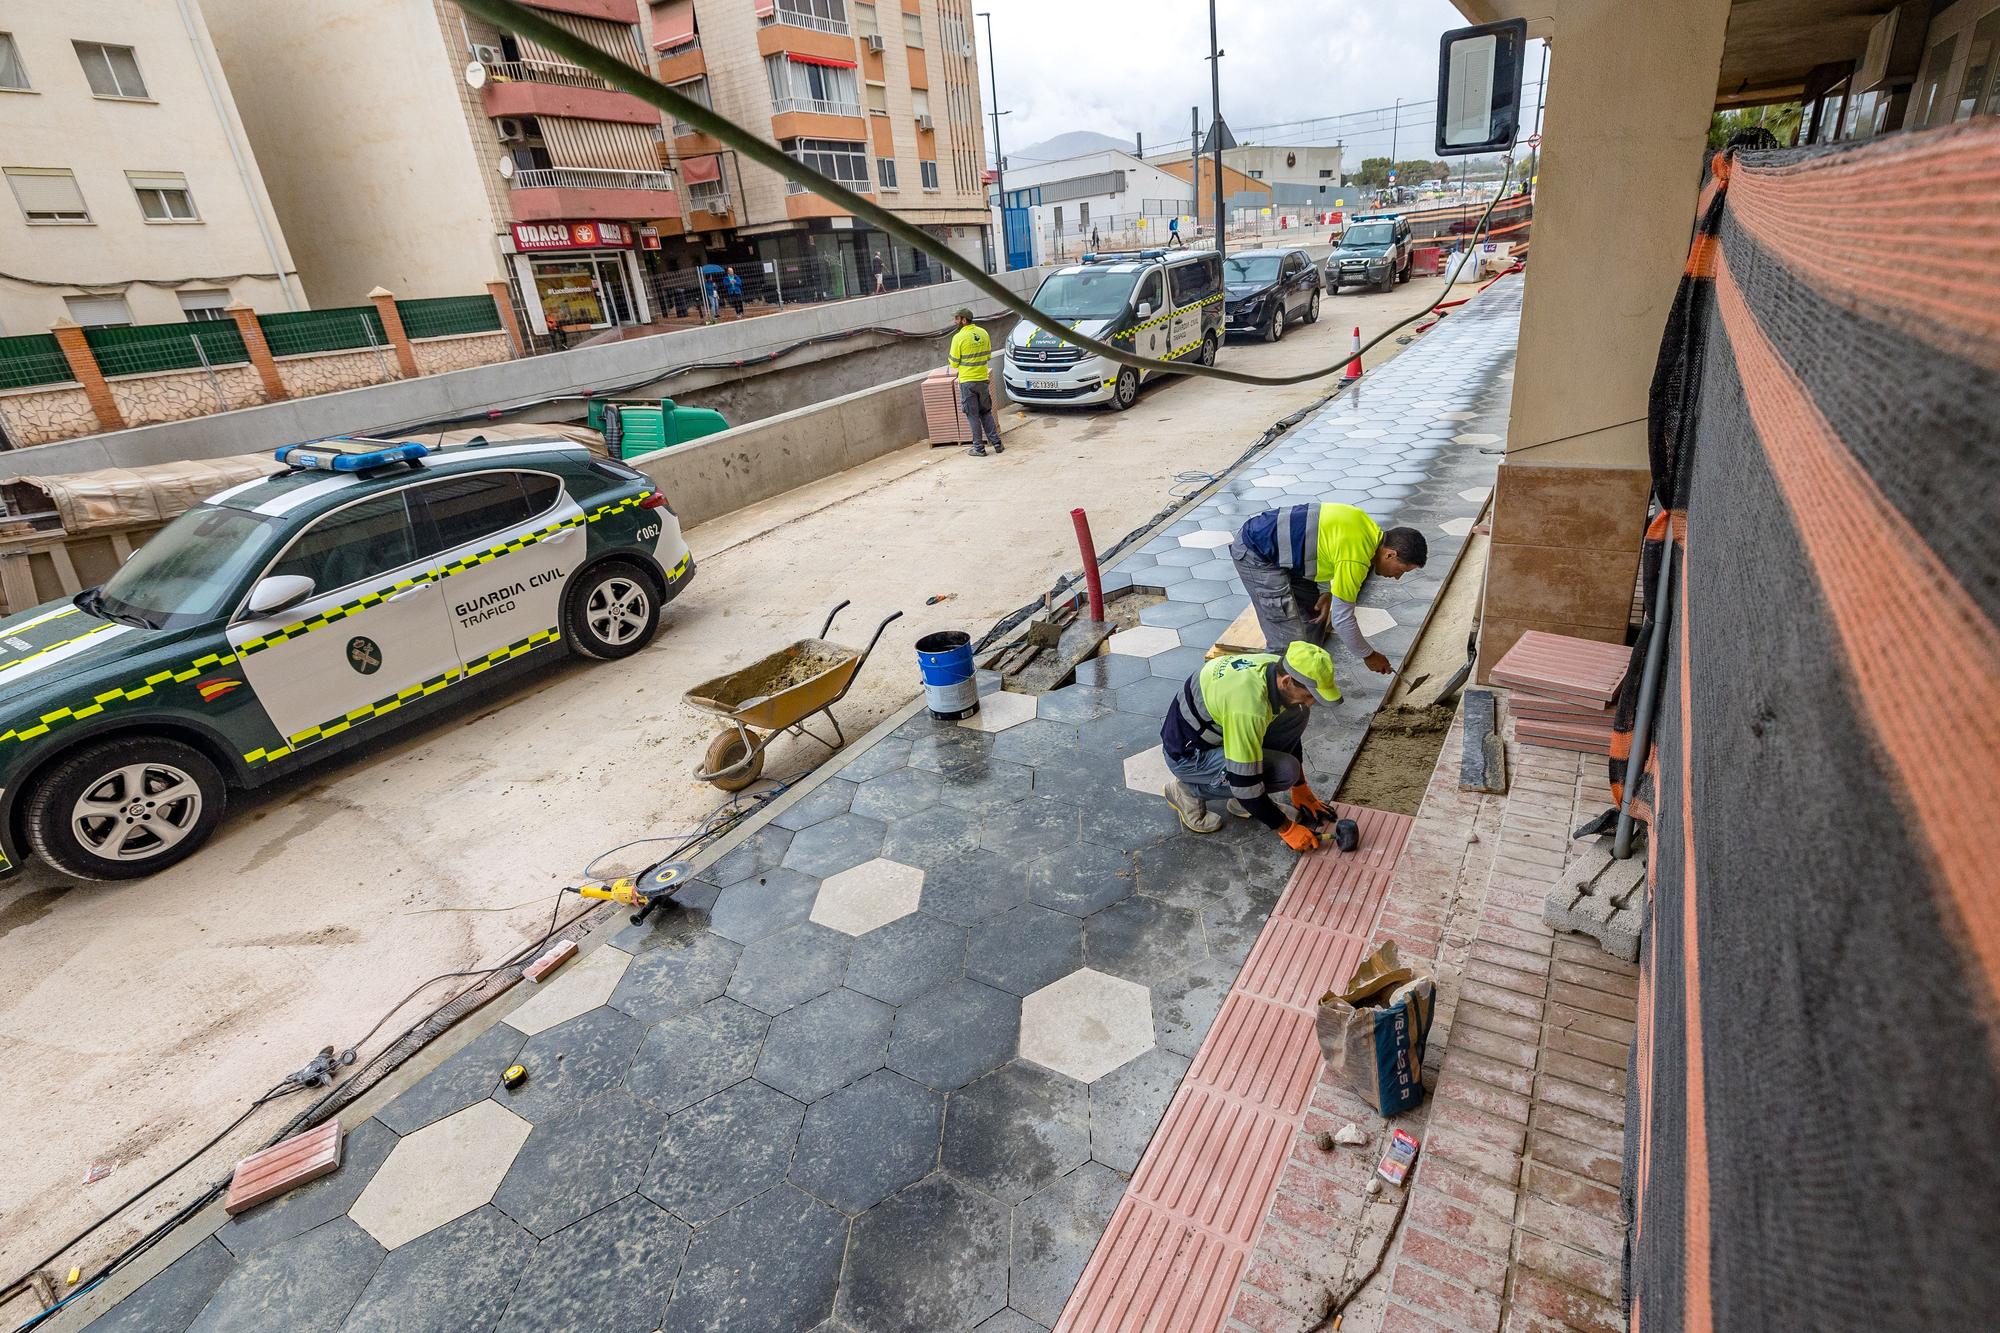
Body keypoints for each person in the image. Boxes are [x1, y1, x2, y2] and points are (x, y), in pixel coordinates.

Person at [1160, 642, 1342, 847]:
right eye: (1310, 695)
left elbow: (1289, 732)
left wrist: (1301, 788)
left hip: (1217, 732)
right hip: (1189, 756)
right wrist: (1286, 829)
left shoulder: (1275, 668)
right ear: (1287, 681)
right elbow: (1245, 785)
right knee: (1284, 772)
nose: (1311, 702)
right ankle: (1186, 790)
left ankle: (1243, 804)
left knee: (1297, 713)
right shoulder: (1248, 707)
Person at [1230, 502, 1427, 673]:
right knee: (1289, 642)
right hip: (1256, 552)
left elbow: (1321, 545)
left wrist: (1325, 590)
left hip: (1283, 553)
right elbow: (1342, 620)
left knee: (1314, 620)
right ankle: (1273, 695)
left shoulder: (1364, 526)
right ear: (1390, 555)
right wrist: (1369, 655)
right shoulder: (1356, 559)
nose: (1398, 577)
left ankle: (1306, 680)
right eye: (1402, 570)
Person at [948, 307, 1003, 458]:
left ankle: (979, 448)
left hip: (967, 382)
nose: (955, 321)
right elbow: (987, 356)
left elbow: (953, 363)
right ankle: (997, 443)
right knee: (986, 412)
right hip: (982, 380)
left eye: (957, 318)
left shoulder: (958, 338)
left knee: (973, 415)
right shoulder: (983, 333)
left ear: (964, 320)